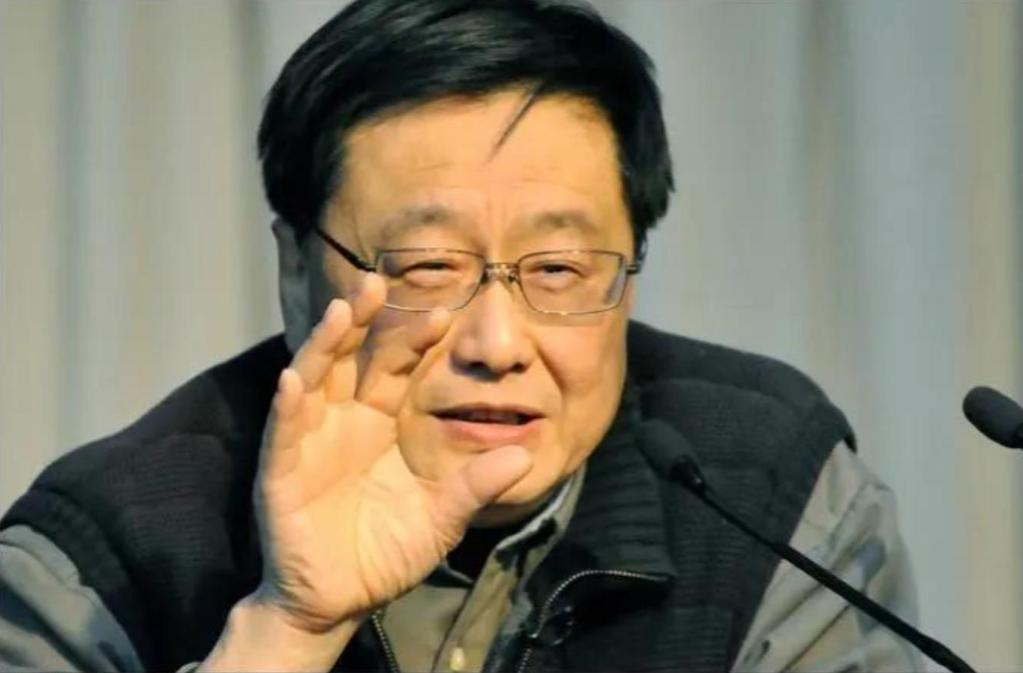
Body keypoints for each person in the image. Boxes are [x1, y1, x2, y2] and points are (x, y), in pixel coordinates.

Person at [0, 0, 919, 671]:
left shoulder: (772, 498)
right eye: (427, 266)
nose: (497, 342)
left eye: (558, 269)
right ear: (295, 266)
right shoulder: (99, 555)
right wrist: (288, 629)